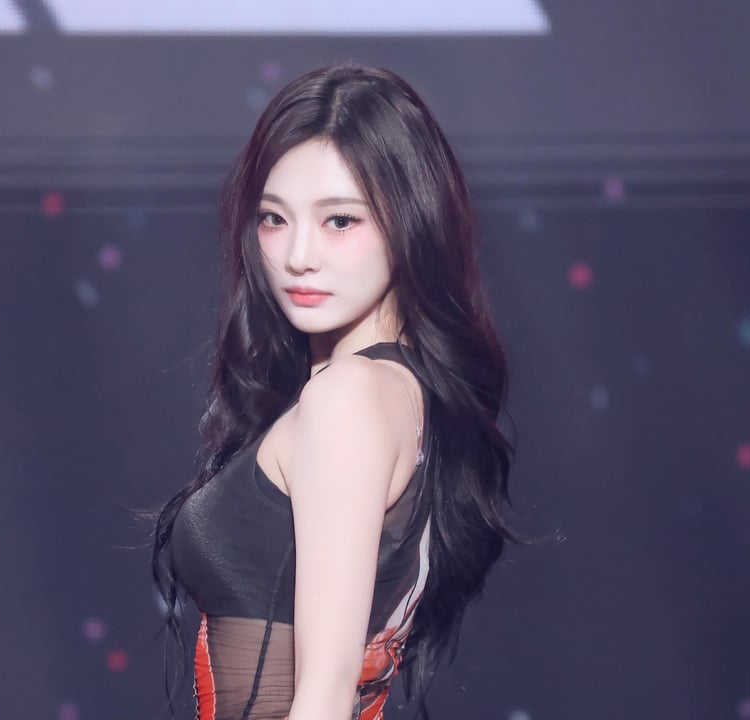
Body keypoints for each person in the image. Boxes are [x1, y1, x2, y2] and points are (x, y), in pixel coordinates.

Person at [138, 62, 559, 720]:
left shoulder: (349, 397)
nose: (298, 255)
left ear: (411, 220)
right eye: (274, 219)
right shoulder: (394, 391)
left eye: (339, 220)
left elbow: (328, 693)